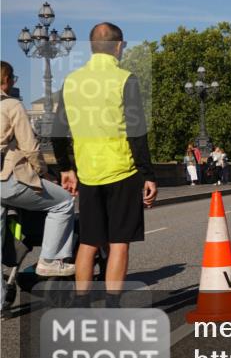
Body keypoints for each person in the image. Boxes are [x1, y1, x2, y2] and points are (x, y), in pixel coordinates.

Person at [52, 23, 158, 301]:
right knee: (119, 242)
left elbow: (58, 131)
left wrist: (65, 167)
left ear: (91, 47)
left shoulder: (72, 81)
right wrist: (147, 174)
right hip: (122, 170)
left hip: (87, 172)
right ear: (119, 46)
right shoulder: (125, 78)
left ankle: (82, 304)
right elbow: (136, 131)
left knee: (88, 242)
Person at [0, 61, 76, 277]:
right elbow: (31, 148)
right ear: (6, 80)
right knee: (63, 202)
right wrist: (44, 173)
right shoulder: (11, 105)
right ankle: (49, 260)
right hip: (7, 180)